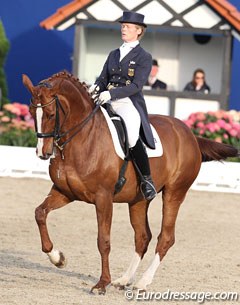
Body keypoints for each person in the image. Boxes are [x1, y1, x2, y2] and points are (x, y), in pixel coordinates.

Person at [88, 11, 157, 200]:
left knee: (132, 137)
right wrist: (94, 88)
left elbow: (136, 86)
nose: (123, 29)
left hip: (128, 102)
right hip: (106, 99)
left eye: (127, 27)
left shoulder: (144, 57)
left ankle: (146, 180)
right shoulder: (113, 54)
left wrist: (111, 93)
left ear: (138, 31)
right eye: (122, 26)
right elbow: (103, 78)